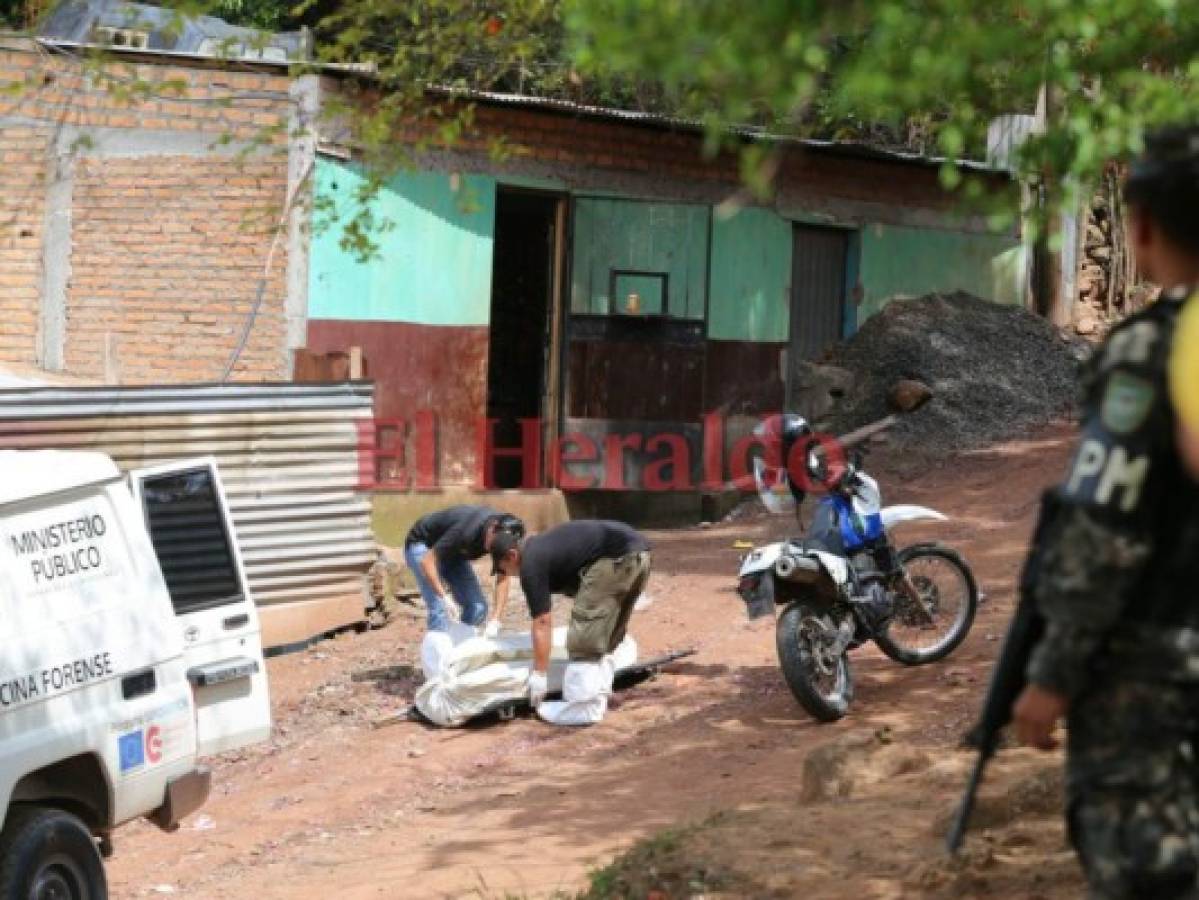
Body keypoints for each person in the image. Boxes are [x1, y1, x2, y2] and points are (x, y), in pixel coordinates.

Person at [1012, 126, 1199, 898]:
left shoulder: (1151, 352)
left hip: (1154, 675)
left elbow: (1103, 528)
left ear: (1145, 225)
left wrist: (1051, 674)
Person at [490, 520, 651, 707]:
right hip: (640, 553)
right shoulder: (541, 547)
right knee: (607, 632)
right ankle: (602, 692)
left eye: (502, 569)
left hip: (616, 558)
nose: (507, 575)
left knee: (583, 640)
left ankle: (580, 706)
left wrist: (540, 674)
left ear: (512, 555)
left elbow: (542, 621)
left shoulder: (530, 565)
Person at [403, 506, 524, 634]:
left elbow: (503, 576)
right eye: (495, 545)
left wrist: (496, 620)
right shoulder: (466, 530)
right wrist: (444, 597)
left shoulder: (505, 541)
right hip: (423, 545)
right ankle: (438, 650)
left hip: (454, 553)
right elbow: (427, 561)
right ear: (492, 528)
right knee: (441, 610)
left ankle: (457, 644)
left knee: (477, 608)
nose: (496, 549)